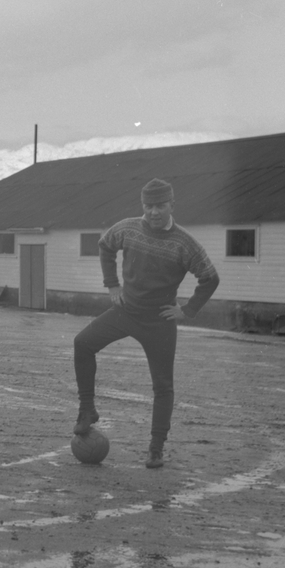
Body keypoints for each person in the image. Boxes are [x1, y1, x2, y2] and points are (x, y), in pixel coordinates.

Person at [73, 178, 219, 468]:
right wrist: (112, 286)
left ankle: (156, 448)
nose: (154, 212)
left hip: (159, 321)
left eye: (160, 206)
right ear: (143, 206)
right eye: (148, 206)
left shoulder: (184, 243)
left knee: (163, 386)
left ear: (171, 205)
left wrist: (187, 310)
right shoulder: (128, 228)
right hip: (126, 311)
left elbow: (210, 277)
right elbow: (105, 245)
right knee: (82, 343)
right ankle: (87, 409)